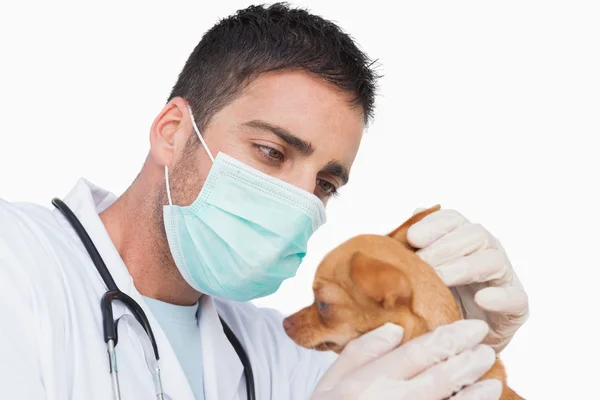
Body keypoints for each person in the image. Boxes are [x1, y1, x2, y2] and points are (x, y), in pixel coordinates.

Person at [0, 3, 529, 400]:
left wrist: (449, 333)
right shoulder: (18, 263)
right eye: (272, 152)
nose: (300, 200)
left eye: (325, 183)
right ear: (173, 133)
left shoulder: (283, 352)